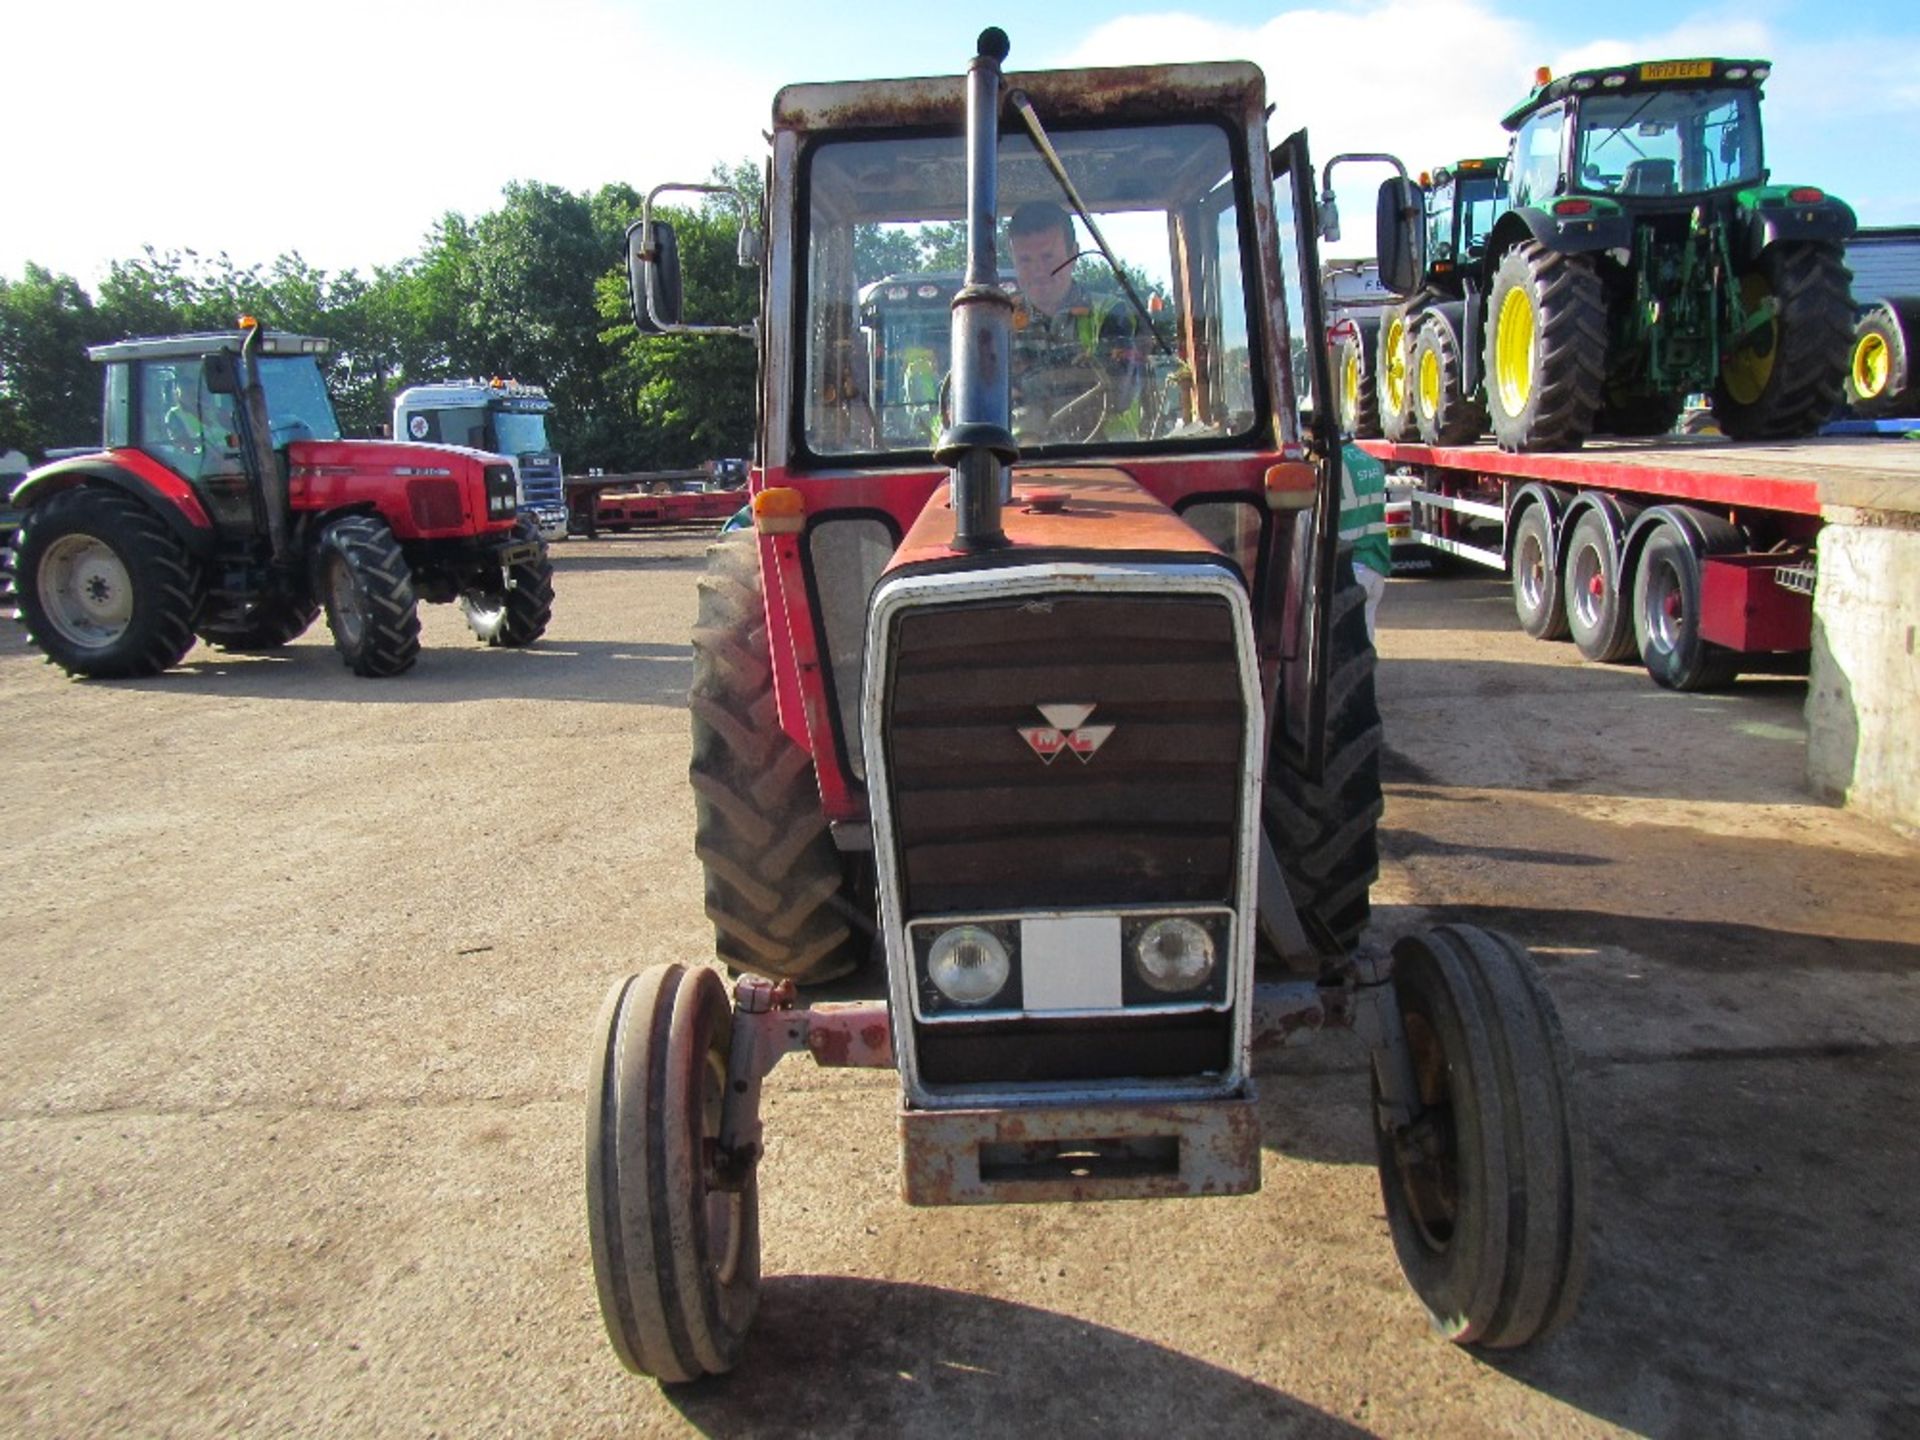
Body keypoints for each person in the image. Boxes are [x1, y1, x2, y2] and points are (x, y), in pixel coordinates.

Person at [1006, 200, 1144, 444]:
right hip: (1021, 464)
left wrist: (1029, 392)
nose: (1038, 271)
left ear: (1074, 254)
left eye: (1048, 257)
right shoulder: (998, 321)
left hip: (1106, 457)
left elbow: (1120, 394)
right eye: (1025, 260)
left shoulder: (1112, 314)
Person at [1340, 441, 1392, 640]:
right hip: (1375, 563)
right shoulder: (1372, 463)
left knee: (1344, 643)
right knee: (1365, 637)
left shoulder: (1330, 464)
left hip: (1348, 565)